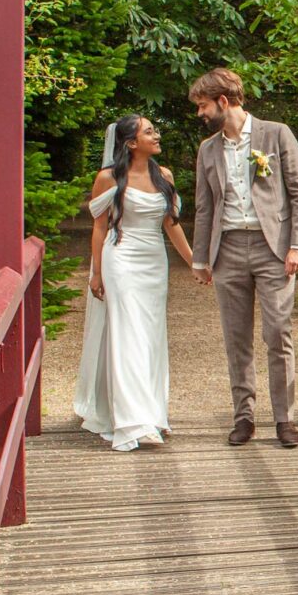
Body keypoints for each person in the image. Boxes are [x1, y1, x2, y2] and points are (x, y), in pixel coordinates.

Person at [187, 68, 298, 448]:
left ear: (223, 102)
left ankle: (284, 419)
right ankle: (243, 417)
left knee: (278, 333)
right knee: (235, 338)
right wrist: (200, 258)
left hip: (272, 248)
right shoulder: (208, 150)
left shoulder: (276, 134)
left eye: (203, 105)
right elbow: (204, 205)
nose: (200, 113)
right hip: (226, 250)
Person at [74, 115, 199, 451]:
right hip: (121, 258)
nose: (156, 136)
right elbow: (100, 228)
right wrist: (98, 272)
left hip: (154, 261)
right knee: (126, 335)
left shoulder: (164, 176)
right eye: (149, 132)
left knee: (150, 336)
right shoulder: (107, 178)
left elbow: (172, 225)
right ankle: (132, 421)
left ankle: (154, 412)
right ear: (130, 143)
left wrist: (194, 263)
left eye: (155, 130)